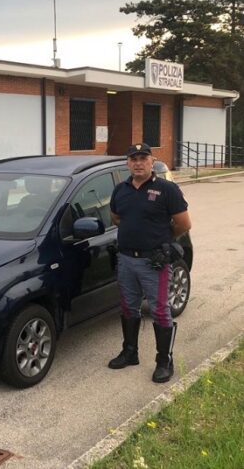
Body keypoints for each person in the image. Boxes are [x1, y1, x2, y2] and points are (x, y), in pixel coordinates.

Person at [108, 143, 191, 383]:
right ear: (128, 163)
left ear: (151, 161)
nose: (138, 162)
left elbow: (184, 224)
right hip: (126, 260)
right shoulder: (120, 190)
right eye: (133, 158)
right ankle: (130, 352)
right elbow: (116, 217)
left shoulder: (167, 189)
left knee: (160, 310)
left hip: (154, 262)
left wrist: (162, 241)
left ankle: (164, 361)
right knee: (129, 307)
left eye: (143, 158)